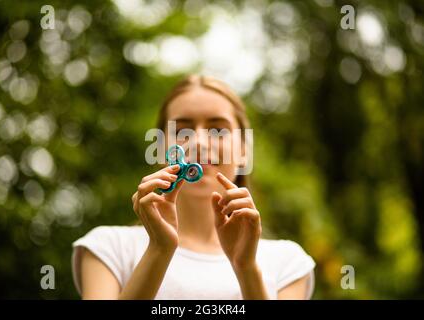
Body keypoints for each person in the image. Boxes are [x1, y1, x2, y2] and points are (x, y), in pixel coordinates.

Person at [71, 75, 316, 299]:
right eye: (181, 130)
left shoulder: (287, 262)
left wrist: (246, 269)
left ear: (243, 150)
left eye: (218, 130)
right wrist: (159, 250)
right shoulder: (109, 248)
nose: (198, 141)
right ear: (160, 148)